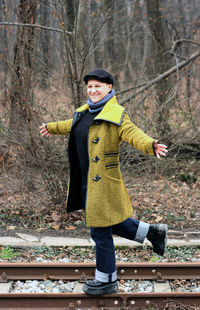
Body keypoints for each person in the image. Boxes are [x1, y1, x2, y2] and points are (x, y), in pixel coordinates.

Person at [40, 69, 168, 296]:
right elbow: (72, 125)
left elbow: (132, 133)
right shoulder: (85, 112)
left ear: (109, 88)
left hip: (104, 184)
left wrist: (151, 144)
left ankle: (107, 280)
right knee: (108, 222)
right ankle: (152, 232)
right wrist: (51, 127)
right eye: (90, 87)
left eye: (98, 86)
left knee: (99, 232)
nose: (93, 90)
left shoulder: (116, 114)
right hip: (86, 180)